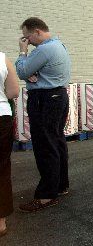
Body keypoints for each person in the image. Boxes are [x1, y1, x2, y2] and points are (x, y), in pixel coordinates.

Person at [15, 17, 71, 212]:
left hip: (44, 99)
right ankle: (61, 184)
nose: (26, 42)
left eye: (27, 37)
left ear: (37, 31)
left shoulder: (44, 49)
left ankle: (46, 195)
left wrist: (23, 54)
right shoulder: (59, 45)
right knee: (56, 140)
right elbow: (29, 72)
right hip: (58, 96)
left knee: (44, 145)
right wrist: (32, 72)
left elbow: (22, 71)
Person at [0, 53, 19, 237]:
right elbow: (14, 92)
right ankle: (1, 221)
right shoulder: (3, 58)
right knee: (2, 168)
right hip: (1, 115)